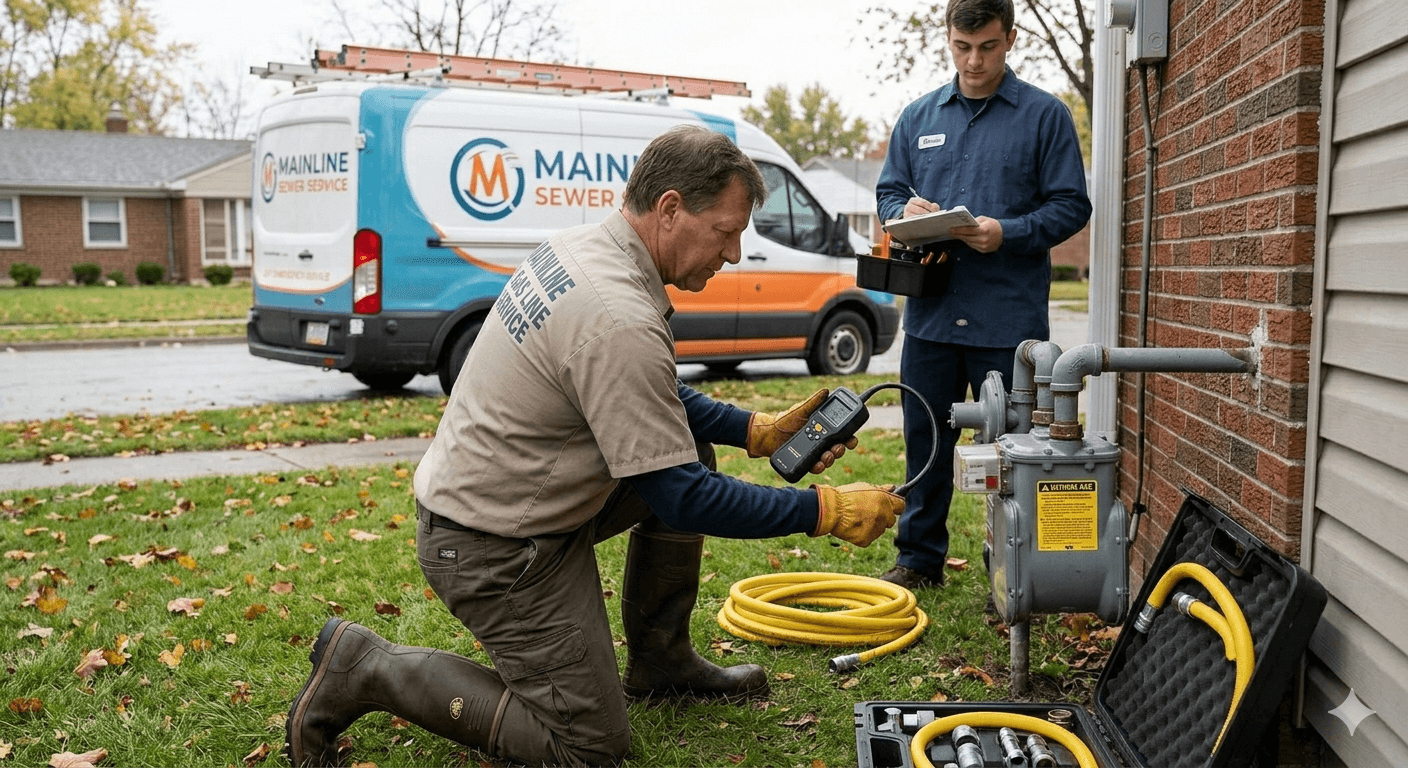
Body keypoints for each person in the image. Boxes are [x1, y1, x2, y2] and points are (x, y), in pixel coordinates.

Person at [285, 124, 906, 768]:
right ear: (670, 209)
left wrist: (753, 430)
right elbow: (682, 497)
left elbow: (644, 399)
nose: (736, 253)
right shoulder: (618, 315)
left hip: (508, 501)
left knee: (692, 448)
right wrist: (824, 511)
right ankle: (367, 667)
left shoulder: (588, 247)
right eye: (725, 231)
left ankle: (660, 662)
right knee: (587, 749)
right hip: (491, 548)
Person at [874, 0, 1092, 591]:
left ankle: (1020, 569)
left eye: (988, 47)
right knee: (925, 437)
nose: (974, 61)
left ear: (1011, 38)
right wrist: (903, 210)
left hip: (1009, 321)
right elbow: (889, 192)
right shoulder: (919, 117)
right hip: (932, 318)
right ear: (948, 38)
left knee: (1018, 449)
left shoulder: (1045, 117)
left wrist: (1008, 233)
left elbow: (1073, 205)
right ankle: (919, 559)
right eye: (962, 47)